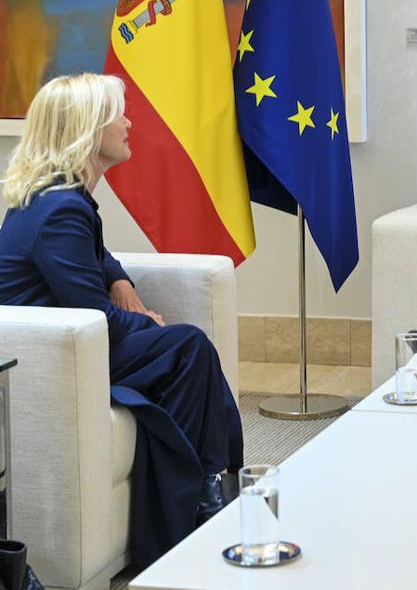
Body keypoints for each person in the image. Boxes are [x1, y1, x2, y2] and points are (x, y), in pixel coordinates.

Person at [0, 74, 242, 568]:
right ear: (88, 130)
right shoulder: (61, 208)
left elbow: (92, 256)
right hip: (56, 358)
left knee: (184, 353)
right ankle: (209, 490)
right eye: (118, 114)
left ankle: (202, 495)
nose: (129, 122)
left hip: (67, 345)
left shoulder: (57, 195)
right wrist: (149, 322)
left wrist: (120, 278)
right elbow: (96, 318)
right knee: (188, 347)